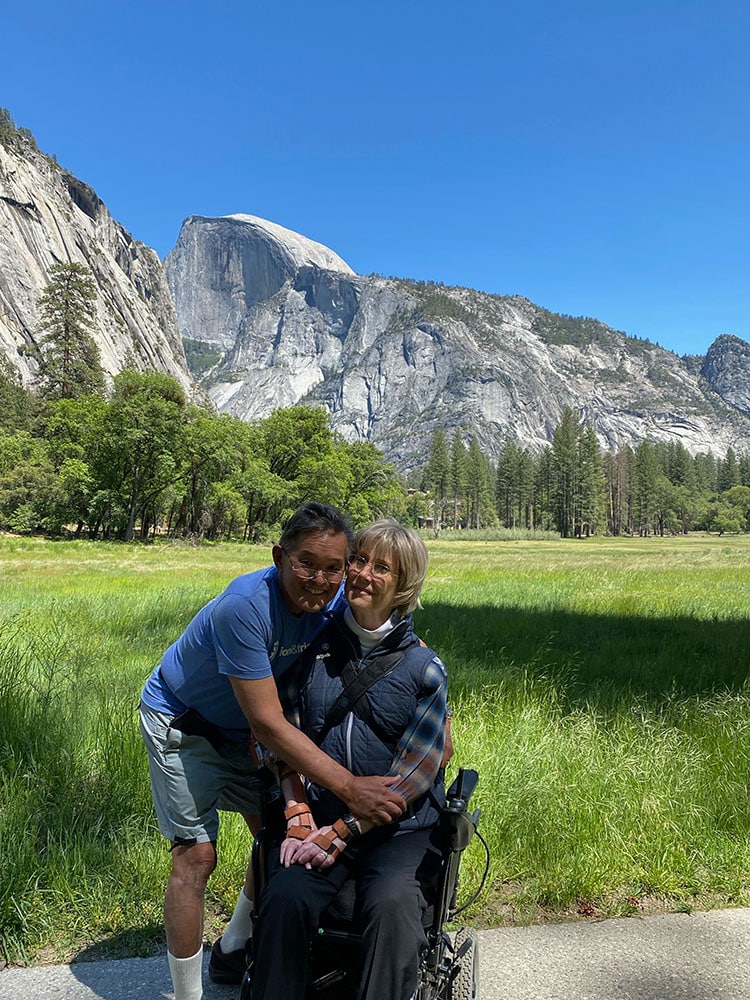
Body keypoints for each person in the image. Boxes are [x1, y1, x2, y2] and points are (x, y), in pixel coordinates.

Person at [139, 503, 406, 1000]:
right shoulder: (244, 606)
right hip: (183, 723)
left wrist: (433, 690)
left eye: (333, 567)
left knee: (276, 838)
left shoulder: (331, 601)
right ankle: (185, 996)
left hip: (245, 728)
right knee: (195, 856)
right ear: (279, 556)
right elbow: (268, 721)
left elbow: (389, 633)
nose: (320, 580)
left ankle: (234, 945)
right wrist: (348, 787)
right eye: (307, 563)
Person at [249, 519, 448, 1000]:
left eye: (382, 568)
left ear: (403, 586)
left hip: (399, 830)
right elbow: (281, 741)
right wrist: (298, 813)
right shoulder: (311, 649)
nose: (362, 574)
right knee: (287, 896)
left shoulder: (424, 667)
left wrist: (344, 832)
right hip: (320, 813)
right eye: (359, 560)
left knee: (394, 905)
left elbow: (416, 771)